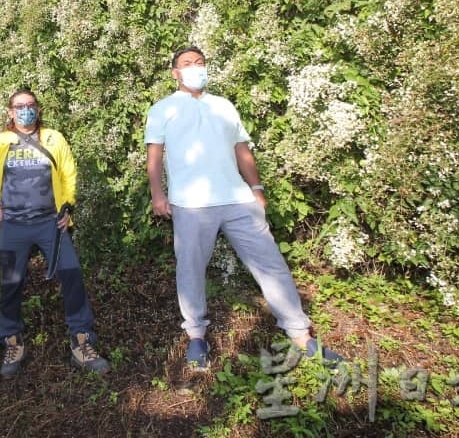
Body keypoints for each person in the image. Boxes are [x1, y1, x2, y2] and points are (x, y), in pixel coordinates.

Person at [145, 46, 342, 369]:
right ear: (175, 73)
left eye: (200, 63)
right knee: (190, 269)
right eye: (187, 64)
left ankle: (301, 335)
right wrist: (158, 194)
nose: (195, 68)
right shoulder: (163, 109)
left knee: (271, 263)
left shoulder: (223, 106)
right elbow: (154, 157)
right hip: (190, 204)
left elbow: (242, 149)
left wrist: (257, 188)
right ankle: (196, 336)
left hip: (238, 200)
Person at [0, 89, 109, 377]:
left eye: (30, 105)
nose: (25, 110)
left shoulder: (54, 138)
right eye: (19, 106)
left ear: (38, 109)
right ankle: (12, 339)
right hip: (13, 225)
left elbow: (68, 173)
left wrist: (67, 205)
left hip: (51, 223)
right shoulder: (0, 142)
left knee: (72, 277)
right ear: (10, 112)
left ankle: (81, 340)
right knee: (10, 283)